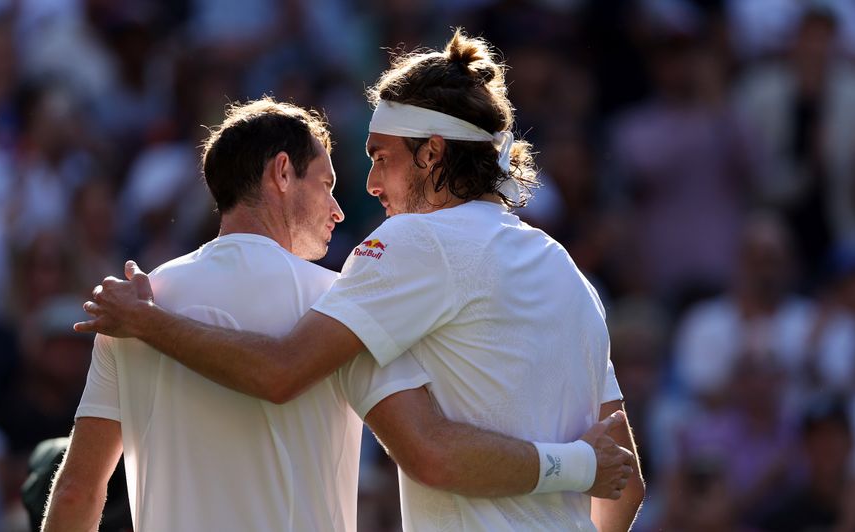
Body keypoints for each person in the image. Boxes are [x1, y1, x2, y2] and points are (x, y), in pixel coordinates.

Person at [77, 31, 644, 531]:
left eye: (380, 157)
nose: (369, 185)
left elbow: (284, 373)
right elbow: (626, 482)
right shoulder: (567, 270)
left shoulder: (412, 243)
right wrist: (575, 478)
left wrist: (146, 321)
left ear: (432, 155)